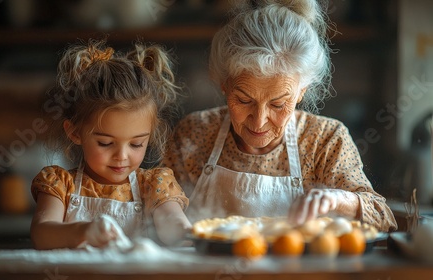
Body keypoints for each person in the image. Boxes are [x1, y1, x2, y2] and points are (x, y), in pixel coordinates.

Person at [162, 0, 397, 232]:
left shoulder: (324, 140)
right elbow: (155, 202)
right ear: (224, 84)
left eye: (278, 104)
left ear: (301, 92)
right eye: (244, 100)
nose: (259, 120)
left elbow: (383, 218)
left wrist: (337, 200)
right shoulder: (195, 133)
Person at [30, 40, 191, 250]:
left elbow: (174, 222)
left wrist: (187, 232)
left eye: (136, 144)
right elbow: (42, 233)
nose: (122, 156)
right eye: (105, 143)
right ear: (75, 132)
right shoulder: (60, 185)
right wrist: (85, 231)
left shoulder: (153, 186)